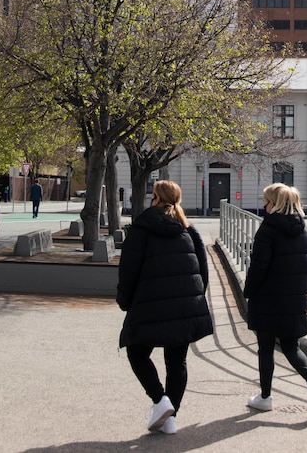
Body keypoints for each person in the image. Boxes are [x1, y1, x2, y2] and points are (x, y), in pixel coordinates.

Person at [116, 180, 213, 435]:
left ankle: (160, 400)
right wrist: (192, 300)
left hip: (149, 305)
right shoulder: (190, 231)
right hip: (184, 306)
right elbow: (202, 273)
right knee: (177, 361)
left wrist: (125, 302)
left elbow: (128, 273)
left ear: (156, 199)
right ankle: (170, 418)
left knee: (136, 352)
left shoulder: (140, 230)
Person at [244, 184, 307, 415]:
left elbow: (258, 267)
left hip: (267, 299)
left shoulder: (267, 230)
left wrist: (248, 292)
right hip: (294, 299)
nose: (263, 205)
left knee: (265, 348)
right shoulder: (303, 230)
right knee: (291, 346)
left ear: (274, 203)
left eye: (266, 201)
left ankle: (265, 396)